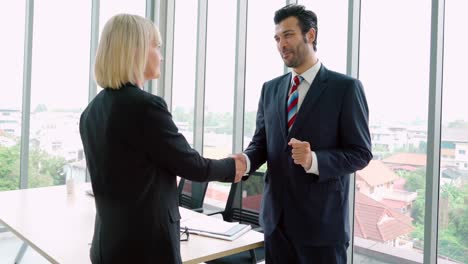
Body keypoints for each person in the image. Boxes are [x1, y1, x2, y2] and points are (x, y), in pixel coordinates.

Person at [79, 14, 246, 264]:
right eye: (156, 47)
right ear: (136, 51)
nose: (161, 55)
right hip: (145, 249)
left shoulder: (91, 112)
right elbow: (192, 166)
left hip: (107, 246)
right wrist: (235, 166)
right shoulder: (145, 107)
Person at [234, 4, 372, 264]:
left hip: (321, 227)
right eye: (277, 38)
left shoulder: (345, 88)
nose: (281, 44)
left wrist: (314, 160)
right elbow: (261, 142)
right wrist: (246, 160)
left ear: (310, 35)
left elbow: (361, 153)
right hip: (276, 223)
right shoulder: (271, 89)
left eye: (288, 35)